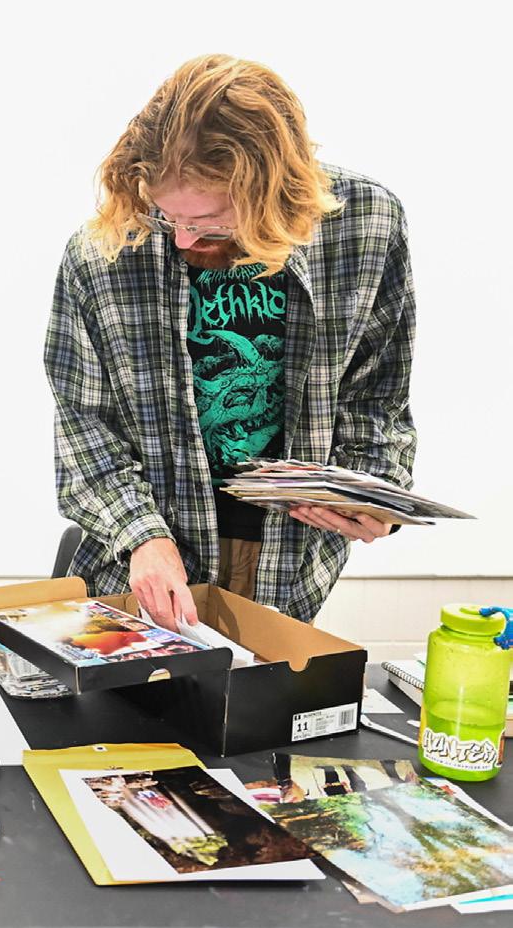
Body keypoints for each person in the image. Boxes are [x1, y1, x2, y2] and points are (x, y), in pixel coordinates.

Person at [46, 54, 416, 630]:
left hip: (287, 559)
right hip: (144, 560)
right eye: (169, 217)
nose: (184, 239)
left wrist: (372, 494)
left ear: (272, 190)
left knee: (262, 688)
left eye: (209, 221)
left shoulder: (365, 225)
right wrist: (141, 535)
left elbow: (377, 395)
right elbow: (84, 425)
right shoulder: (105, 253)